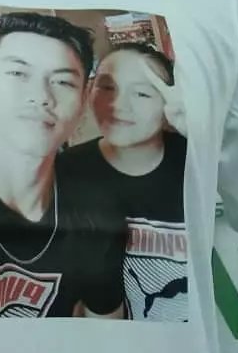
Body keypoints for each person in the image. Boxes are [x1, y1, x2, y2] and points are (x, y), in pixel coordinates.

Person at [0, 11, 127, 319]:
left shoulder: (96, 212)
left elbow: (105, 326)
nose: (41, 97)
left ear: (83, 100)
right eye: (18, 74)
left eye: (62, 81)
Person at [61, 43, 188, 321]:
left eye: (142, 93)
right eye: (106, 87)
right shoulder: (65, 171)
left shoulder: (199, 161)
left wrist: (205, 137)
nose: (118, 104)